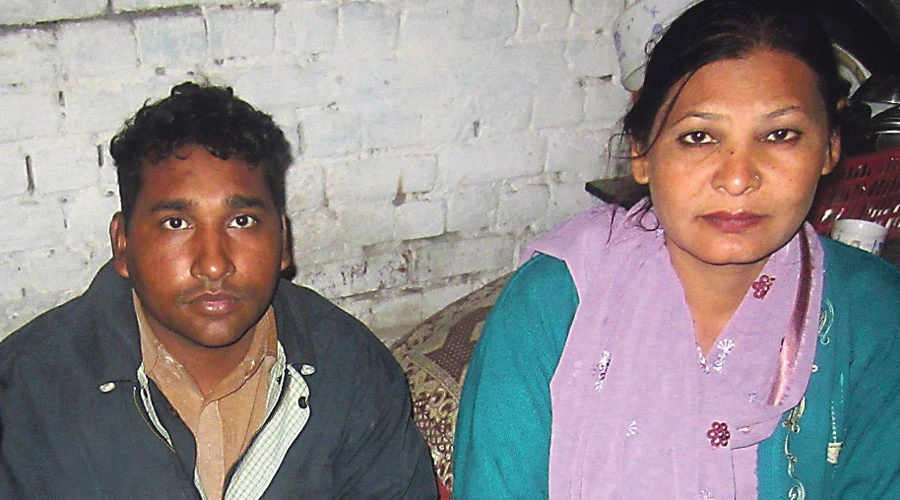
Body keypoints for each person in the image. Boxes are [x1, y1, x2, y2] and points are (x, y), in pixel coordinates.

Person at [453, 0, 900, 498]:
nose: (737, 178)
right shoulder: (552, 304)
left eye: (779, 135)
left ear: (830, 145)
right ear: (642, 152)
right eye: (699, 137)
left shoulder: (875, 313)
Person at [0, 82, 437, 499]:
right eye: (176, 223)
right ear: (123, 244)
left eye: (241, 221)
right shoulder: (25, 392)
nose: (213, 264)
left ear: (282, 241)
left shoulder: (349, 369)